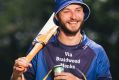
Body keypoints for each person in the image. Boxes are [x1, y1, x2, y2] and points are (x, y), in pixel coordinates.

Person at [11, 0, 112, 80]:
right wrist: (17, 75)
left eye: (78, 10)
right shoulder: (39, 48)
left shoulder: (97, 51)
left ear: (83, 14)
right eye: (66, 11)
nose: (73, 16)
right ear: (56, 17)